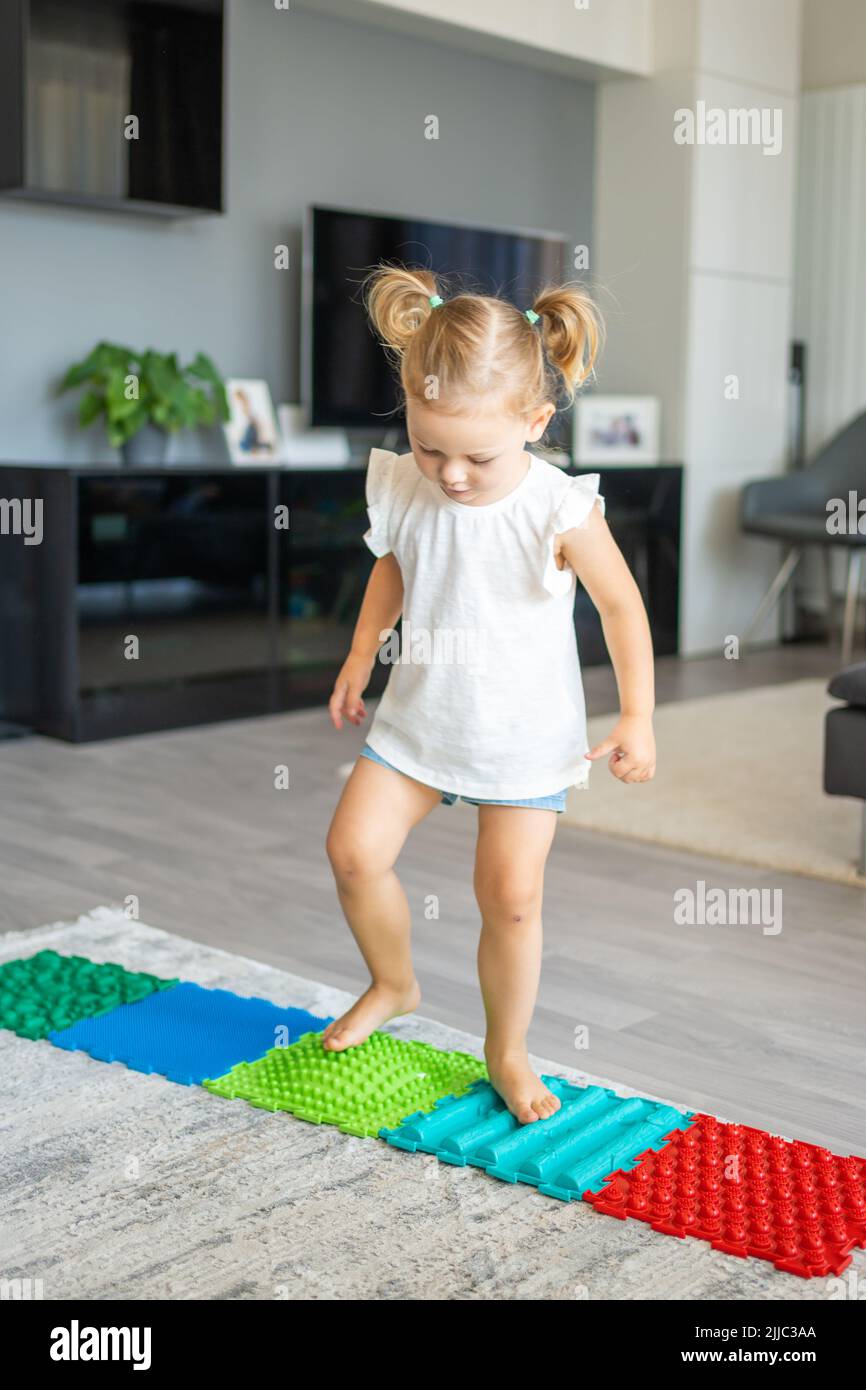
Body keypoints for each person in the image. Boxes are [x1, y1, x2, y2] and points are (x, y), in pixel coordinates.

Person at [324, 266, 656, 1124]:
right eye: (432, 446)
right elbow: (394, 569)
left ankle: (506, 1049)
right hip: (417, 727)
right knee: (354, 852)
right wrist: (361, 655)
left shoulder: (558, 507)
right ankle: (393, 983)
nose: (453, 474)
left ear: (535, 422)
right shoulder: (405, 484)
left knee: (508, 899)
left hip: (522, 740)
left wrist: (638, 717)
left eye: (478, 454)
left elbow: (621, 607)